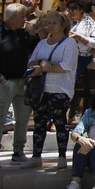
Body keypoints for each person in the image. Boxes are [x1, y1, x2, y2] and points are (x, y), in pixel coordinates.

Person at [0, 3, 35, 168]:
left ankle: (18, 152)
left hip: (23, 82)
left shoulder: (24, 34)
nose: (25, 20)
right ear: (12, 19)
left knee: (23, 119)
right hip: (4, 84)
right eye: (22, 17)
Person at [26, 10, 79, 168]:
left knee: (60, 122)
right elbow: (31, 62)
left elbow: (65, 66)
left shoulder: (69, 43)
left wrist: (43, 68)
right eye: (49, 23)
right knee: (39, 123)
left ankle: (62, 156)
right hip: (41, 89)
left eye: (54, 23)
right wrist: (42, 64)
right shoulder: (42, 43)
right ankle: (36, 156)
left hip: (60, 89)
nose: (50, 26)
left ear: (63, 25)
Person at [66, 0, 95, 115]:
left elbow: (94, 43)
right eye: (69, 8)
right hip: (66, 55)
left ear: (81, 9)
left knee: (72, 80)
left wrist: (79, 37)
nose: (71, 11)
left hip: (82, 56)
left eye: (74, 8)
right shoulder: (66, 21)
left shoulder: (89, 22)